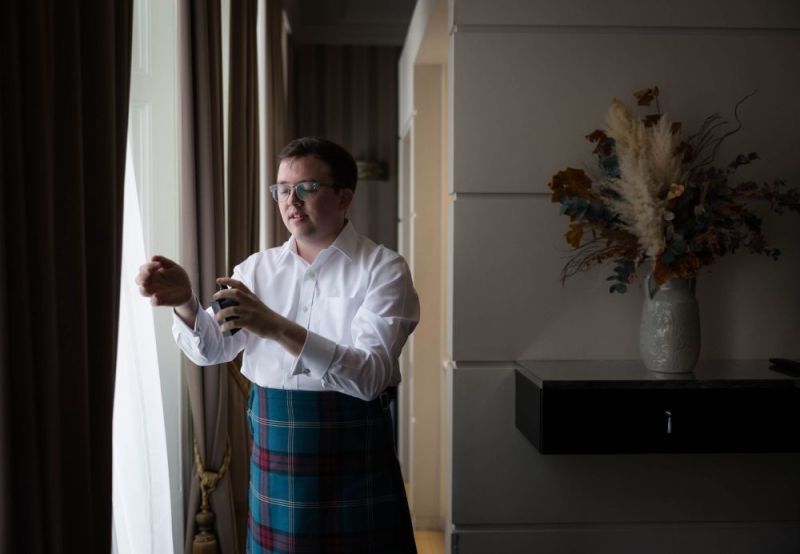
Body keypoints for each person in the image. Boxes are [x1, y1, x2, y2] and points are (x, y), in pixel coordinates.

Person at [136, 137, 419, 553]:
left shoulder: (384, 269)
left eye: (306, 187)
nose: (291, 199)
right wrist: (185, 302)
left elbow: (370, 377)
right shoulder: (256, 269)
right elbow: (212, 349)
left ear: (344, 197)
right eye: (283, 189)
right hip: (275, 439)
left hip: (353, 444)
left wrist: (274, 326)